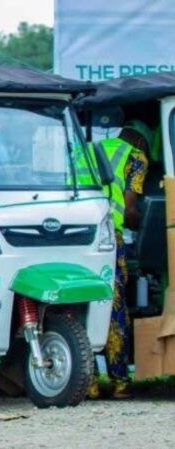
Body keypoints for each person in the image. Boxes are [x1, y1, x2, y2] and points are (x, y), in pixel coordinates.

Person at [87, 119, 152, 399]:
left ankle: (88, 382)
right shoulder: (135, 157)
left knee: (80, 304)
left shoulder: (85, 150)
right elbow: (128, 210)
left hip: (76, 235)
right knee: (114, 307)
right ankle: (120, 382)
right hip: (110, 238)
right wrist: (148, 222)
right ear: (140, 140)